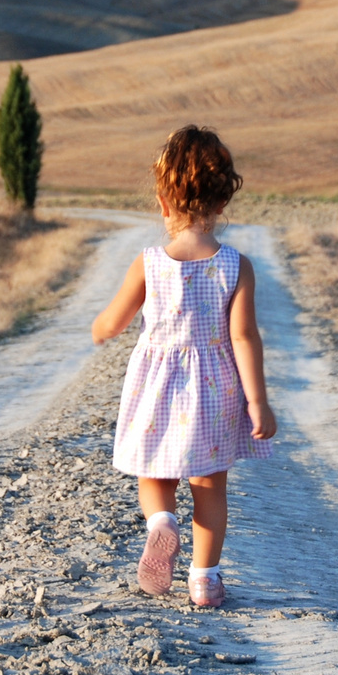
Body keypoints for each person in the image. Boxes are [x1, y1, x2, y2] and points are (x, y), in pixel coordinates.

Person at [91, 125, 276, 607]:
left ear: (163, 202)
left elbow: (113, 321)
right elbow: (244, 336)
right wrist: (258, 403)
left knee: (155, 475)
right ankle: (204, 578)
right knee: (210, 485)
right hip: (215, 389)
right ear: (221, 204)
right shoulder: (236, 266)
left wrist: (101, 329)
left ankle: (161, 523)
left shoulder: (150, 263)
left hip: (156, 387)